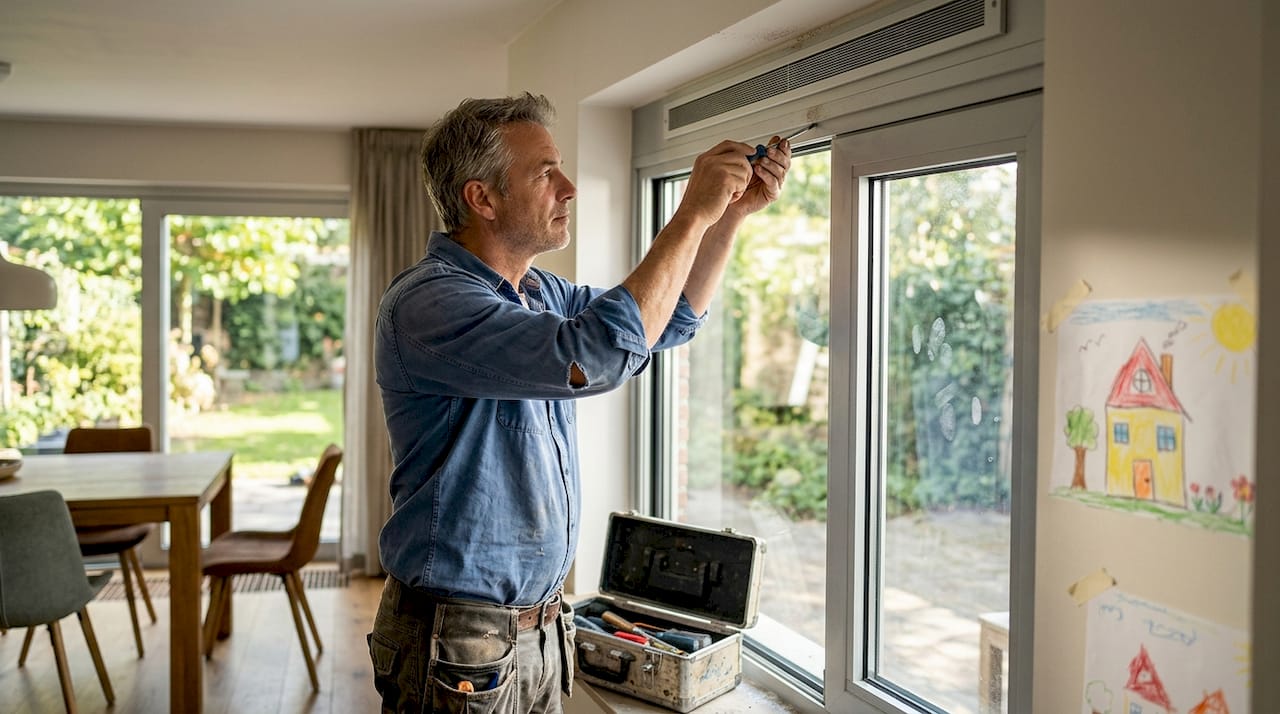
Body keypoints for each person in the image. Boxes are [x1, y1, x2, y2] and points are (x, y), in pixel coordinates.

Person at [367, 92, 792, 714]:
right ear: (480, 198)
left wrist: (728, 216)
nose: (568, 187)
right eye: (544, 173)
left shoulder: (538, 292)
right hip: (459, 639)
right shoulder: (429, 303)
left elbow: (665, 320)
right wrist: (689, 216)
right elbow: (596, 356)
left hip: (540, 630)